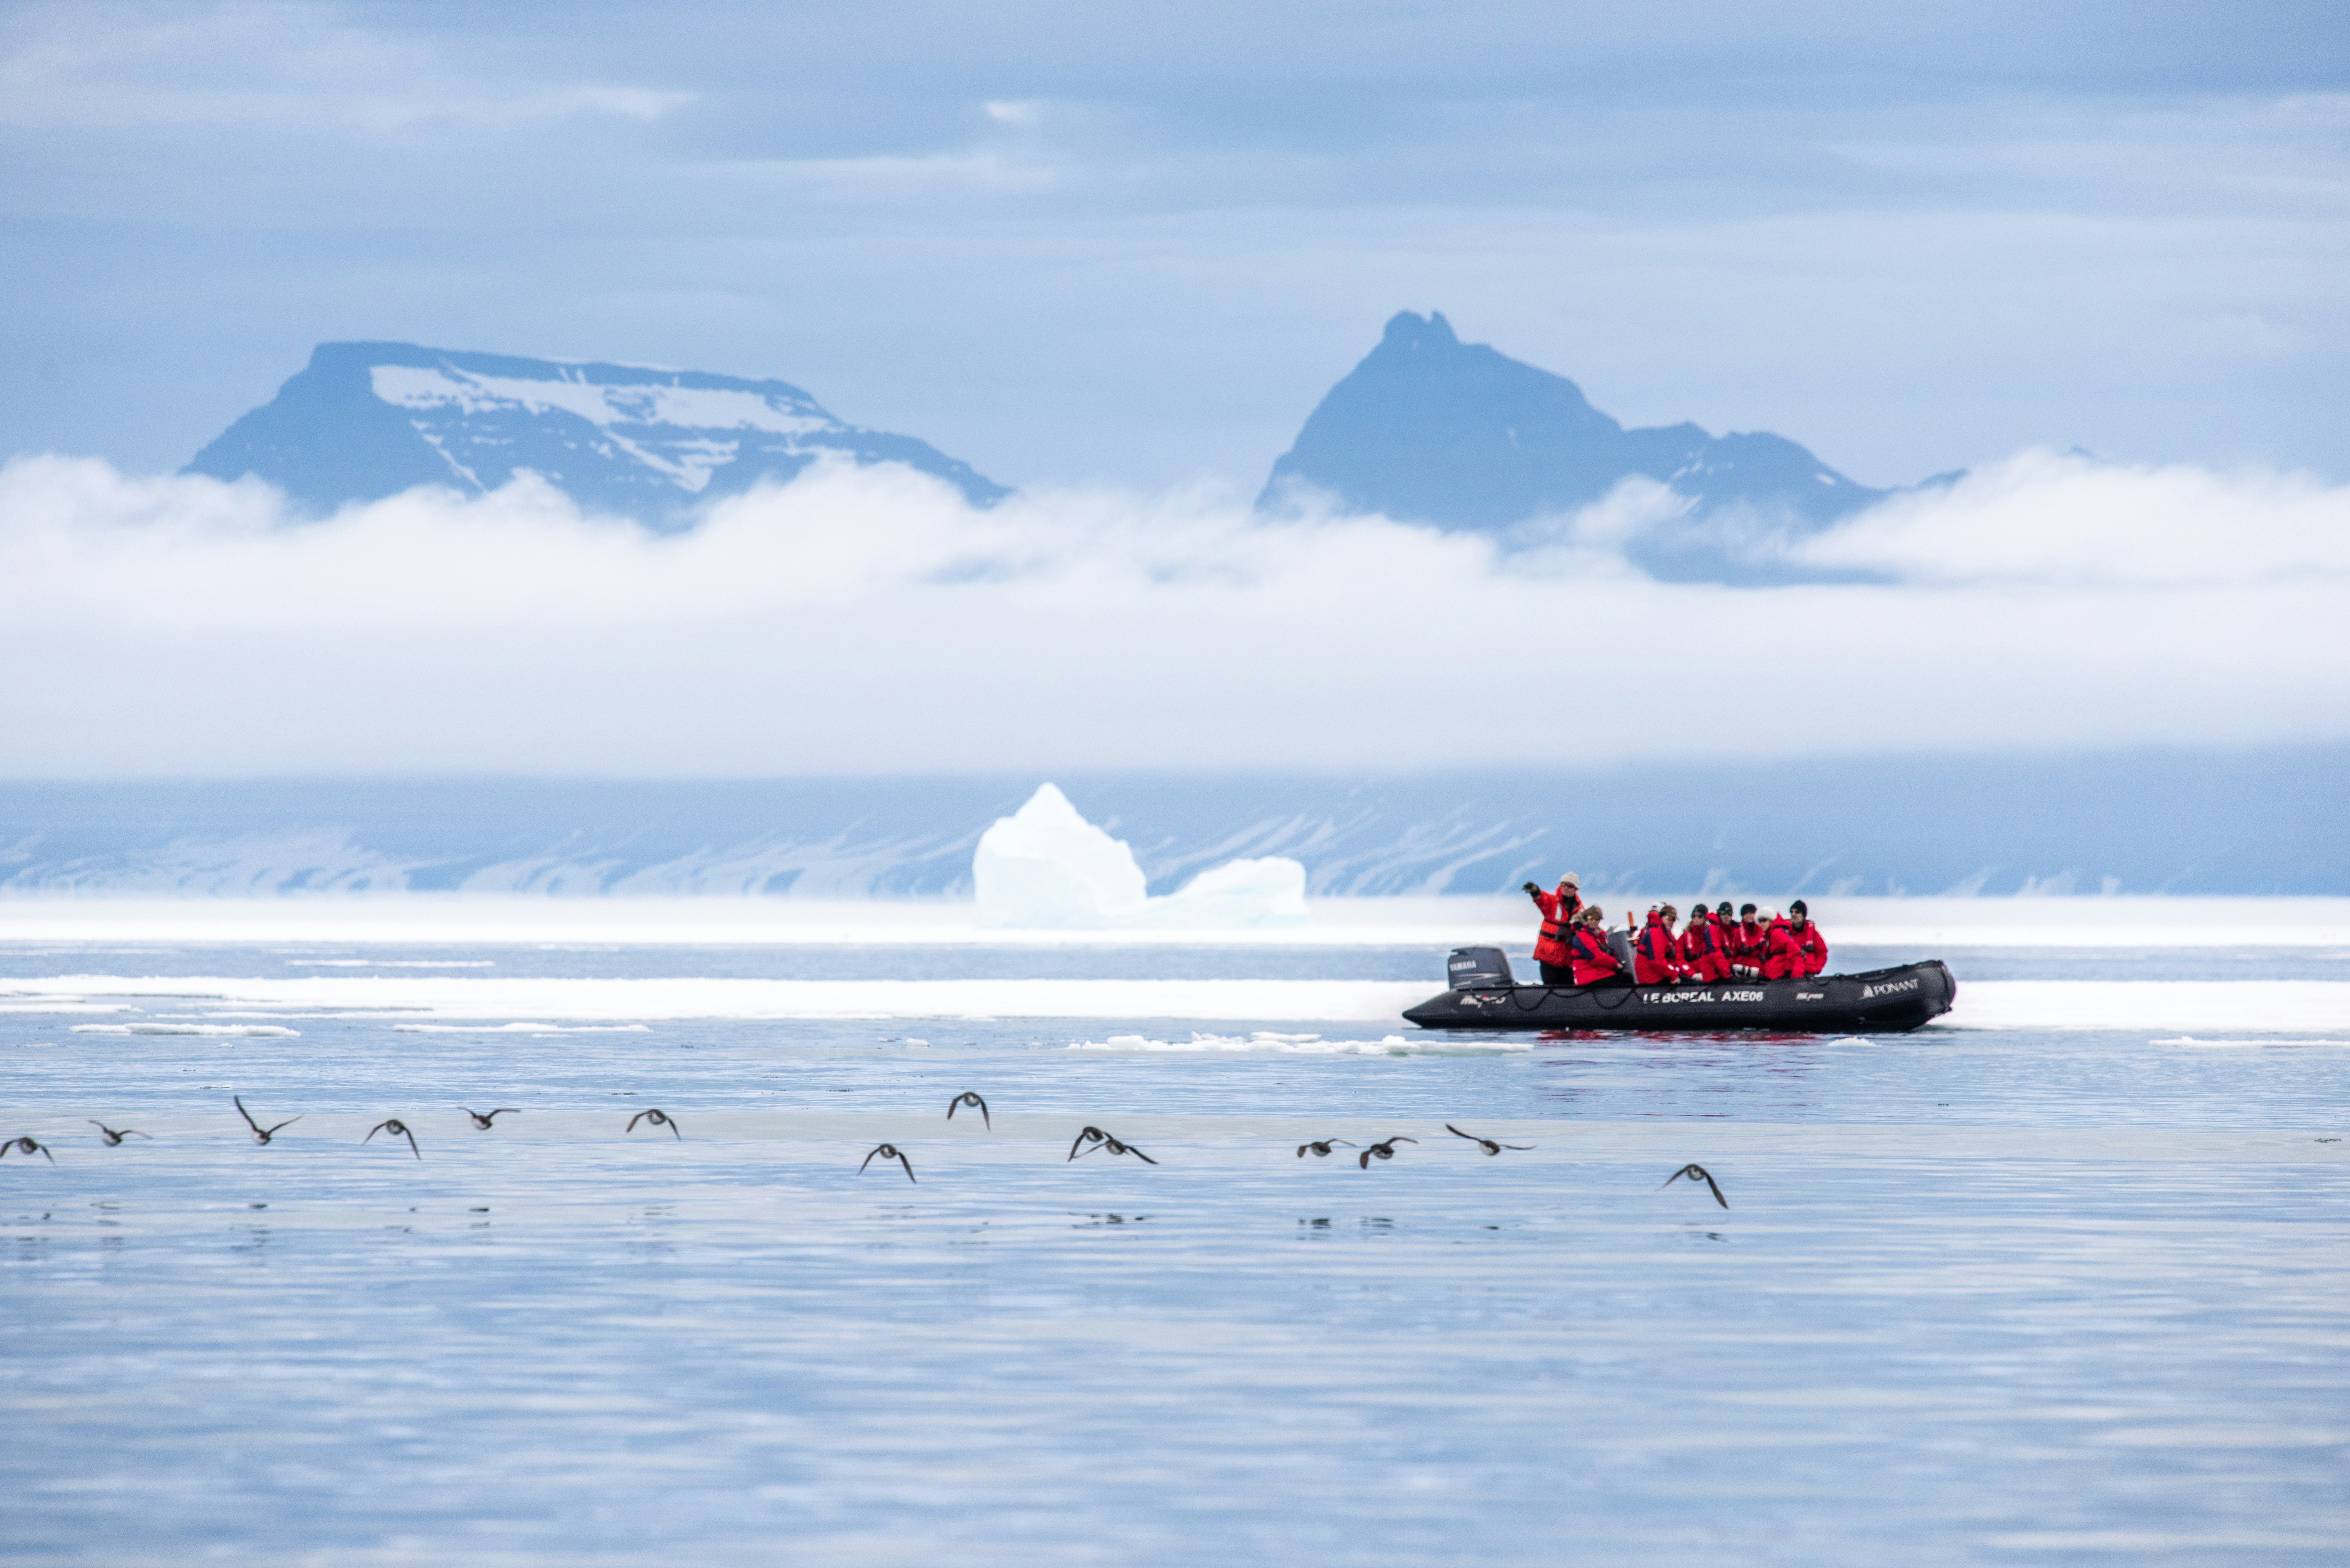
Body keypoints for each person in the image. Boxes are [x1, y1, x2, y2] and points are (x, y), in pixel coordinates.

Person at [1523, 874, 1582, 986]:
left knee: (1569, 990)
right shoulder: (1553, 901)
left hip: (1567, 960)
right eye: (1563, 885)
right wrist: (1536, 892)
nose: (1565, 888)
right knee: (1551, 989)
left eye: (1569, 886)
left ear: (1576, 889)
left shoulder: (1580, 909)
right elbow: (1542, 899)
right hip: (1548, 956)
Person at [1569, 906, 1631, 988]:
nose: (1594, 921)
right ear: (1585, 919)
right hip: (1589, 977)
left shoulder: (1597, 936)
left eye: (1597, 919)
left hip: (1599, 973)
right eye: (1591, 918)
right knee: (1627, 978)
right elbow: (1596, 958)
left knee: (1625, 975)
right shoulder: (1582, 936)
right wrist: (1616, 964)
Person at [1634, 904, 1691, 986]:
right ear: (1662, 917)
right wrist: (1673, 975)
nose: (1672, 922)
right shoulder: (1656, 933)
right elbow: (1657, 962)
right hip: (1652, 979)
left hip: (1659, 975)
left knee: (1690, 981)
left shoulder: (1665, 934)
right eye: (1669, 918)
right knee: (1689, 984)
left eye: (1674, 919)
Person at [1680, 902, 1733, 982]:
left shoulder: (1711, 932)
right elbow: (1680, 960)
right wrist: (1692, 974)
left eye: (1700, 916)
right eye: (1694, 916)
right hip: (1691, 979)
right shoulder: (1684, 938)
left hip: (1709, 977)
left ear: (1705, 918)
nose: (1696, 918)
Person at [1785, 898, 1828, 978]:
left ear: (1804, 915)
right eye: (1792, 912)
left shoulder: (1814, 935)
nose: (1793, 914)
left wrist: (1817, 968)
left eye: (1797, 912)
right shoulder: (1785, 933)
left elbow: (1822, 953)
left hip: (1807, 975)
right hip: (1788, 974)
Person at [1729, 902, 1767, 979]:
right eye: (1746, 914)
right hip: (1742, 968)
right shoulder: (1737, 932)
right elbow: (1734, 954)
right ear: (1743, 916)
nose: (1749, 915)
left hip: (1759, 968)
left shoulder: (1763, 930)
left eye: (1752, 913)